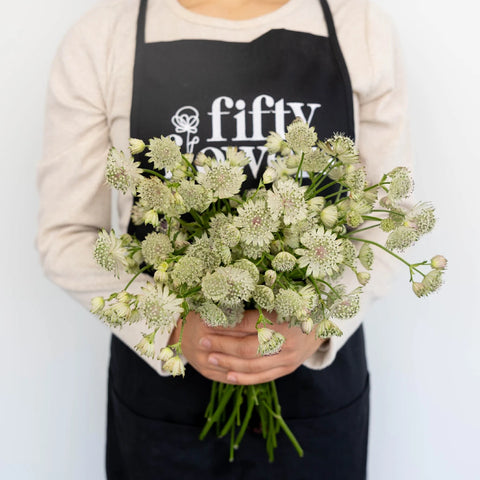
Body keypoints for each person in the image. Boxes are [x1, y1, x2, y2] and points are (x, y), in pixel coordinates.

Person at [37, 0, 411, 478]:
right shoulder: (103, 38)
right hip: (164, 397)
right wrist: (172, 326)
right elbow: (67, 234)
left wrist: (317, 324)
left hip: (315, 389)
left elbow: (390, 218)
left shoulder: (359, 28)